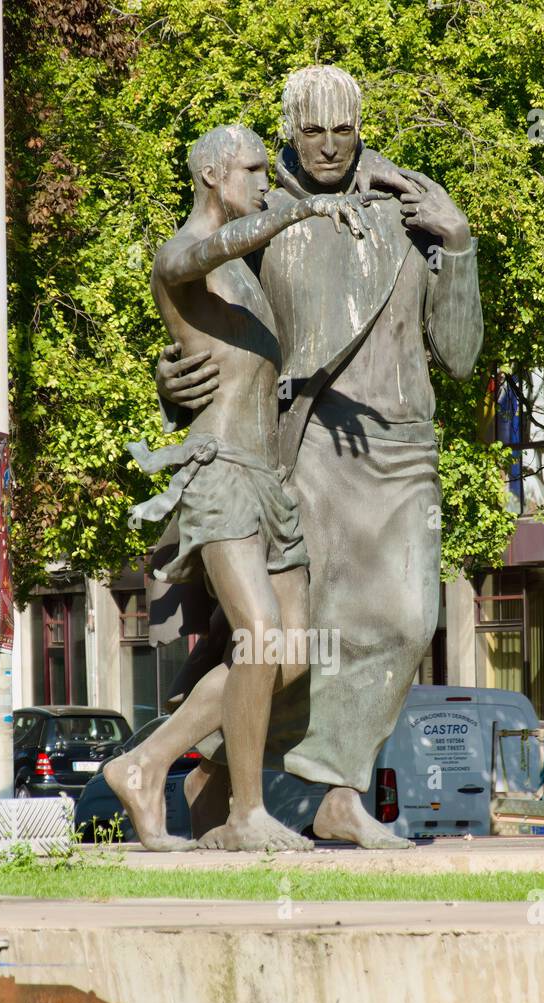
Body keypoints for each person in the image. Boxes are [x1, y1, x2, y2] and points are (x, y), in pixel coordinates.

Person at [156, 64, 484, 849]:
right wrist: (172, 379)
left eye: (342, 130)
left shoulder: (407, 205)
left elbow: (463, 355)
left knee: (409, 621)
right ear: (288, 133)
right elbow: (208, 324)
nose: (329, 146)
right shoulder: (262, 212)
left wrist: (461, 244)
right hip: (301, 444)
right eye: (311, 131)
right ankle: (307, 794)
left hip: (401, 444)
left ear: (360, 127)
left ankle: (257, 771)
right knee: (304, 640)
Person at [103, 122, 371, 850]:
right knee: (256, 637)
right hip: (217, 472)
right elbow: (199, 256)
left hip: (266, 480)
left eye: (264, 172)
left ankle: (143, 761)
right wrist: (299, 207)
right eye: (252, 170)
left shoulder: (246, 274)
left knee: (288, 654)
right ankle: (244, 815)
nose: (262, 181)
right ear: (212, 174)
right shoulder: (180, 255)